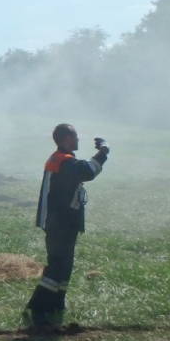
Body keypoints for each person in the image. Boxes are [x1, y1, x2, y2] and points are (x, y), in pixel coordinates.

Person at [23, 124, 109, 329]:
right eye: (76, 136)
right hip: (59, 224)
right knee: (57, 267)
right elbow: (89, 171)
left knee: (64, 265)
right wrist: (104, 151)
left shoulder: (59, 159)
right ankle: (38, 309)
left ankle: (56, 303)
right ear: (68, 139)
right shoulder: (64, 162)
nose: (78, 140)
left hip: (60, 223)